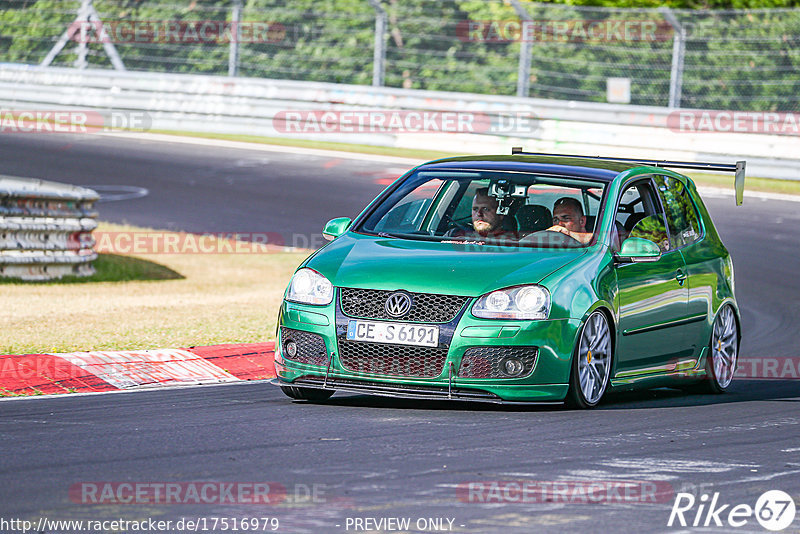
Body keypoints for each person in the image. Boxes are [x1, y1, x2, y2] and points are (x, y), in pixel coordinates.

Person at [447, 188, 517, 240]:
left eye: (485, 209)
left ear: (501, 213)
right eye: (475, 209)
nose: (479, 214)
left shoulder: (510, 243)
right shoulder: (453, 234)